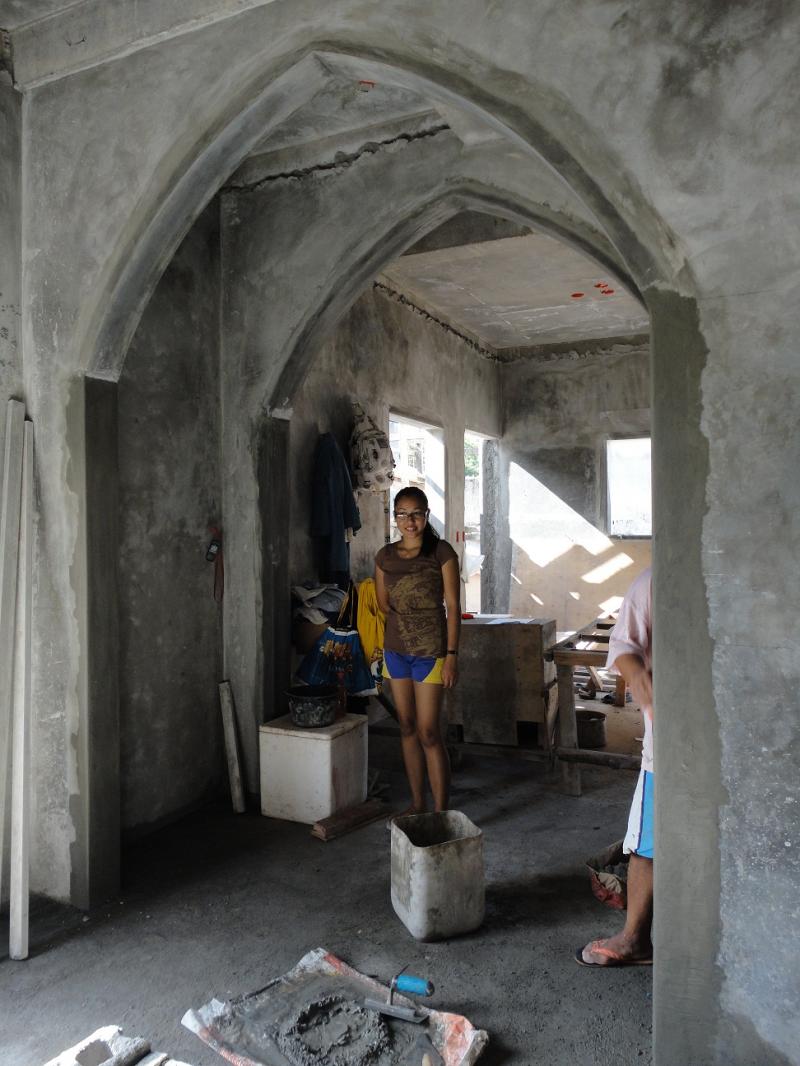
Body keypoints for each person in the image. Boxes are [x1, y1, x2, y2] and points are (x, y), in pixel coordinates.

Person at [577, 565, 654, 967]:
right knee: (646, 846)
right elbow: (623, 647)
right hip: (673, 746)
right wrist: (642, 682)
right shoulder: (654, 582)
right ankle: (635, 938)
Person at [374, 487, 461, 814]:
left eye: (416, 513)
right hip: (395, 652)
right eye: (402, 514)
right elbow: (384, 604)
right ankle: (417, 802)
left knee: (428, 731)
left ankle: (440, 812)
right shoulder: (384, 556)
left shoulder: (441, 553)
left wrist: (452, 656)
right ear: (394, 517)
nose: (409, 521)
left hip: (431, 654)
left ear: (426, 515)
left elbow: (453, 607)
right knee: (407, 726)